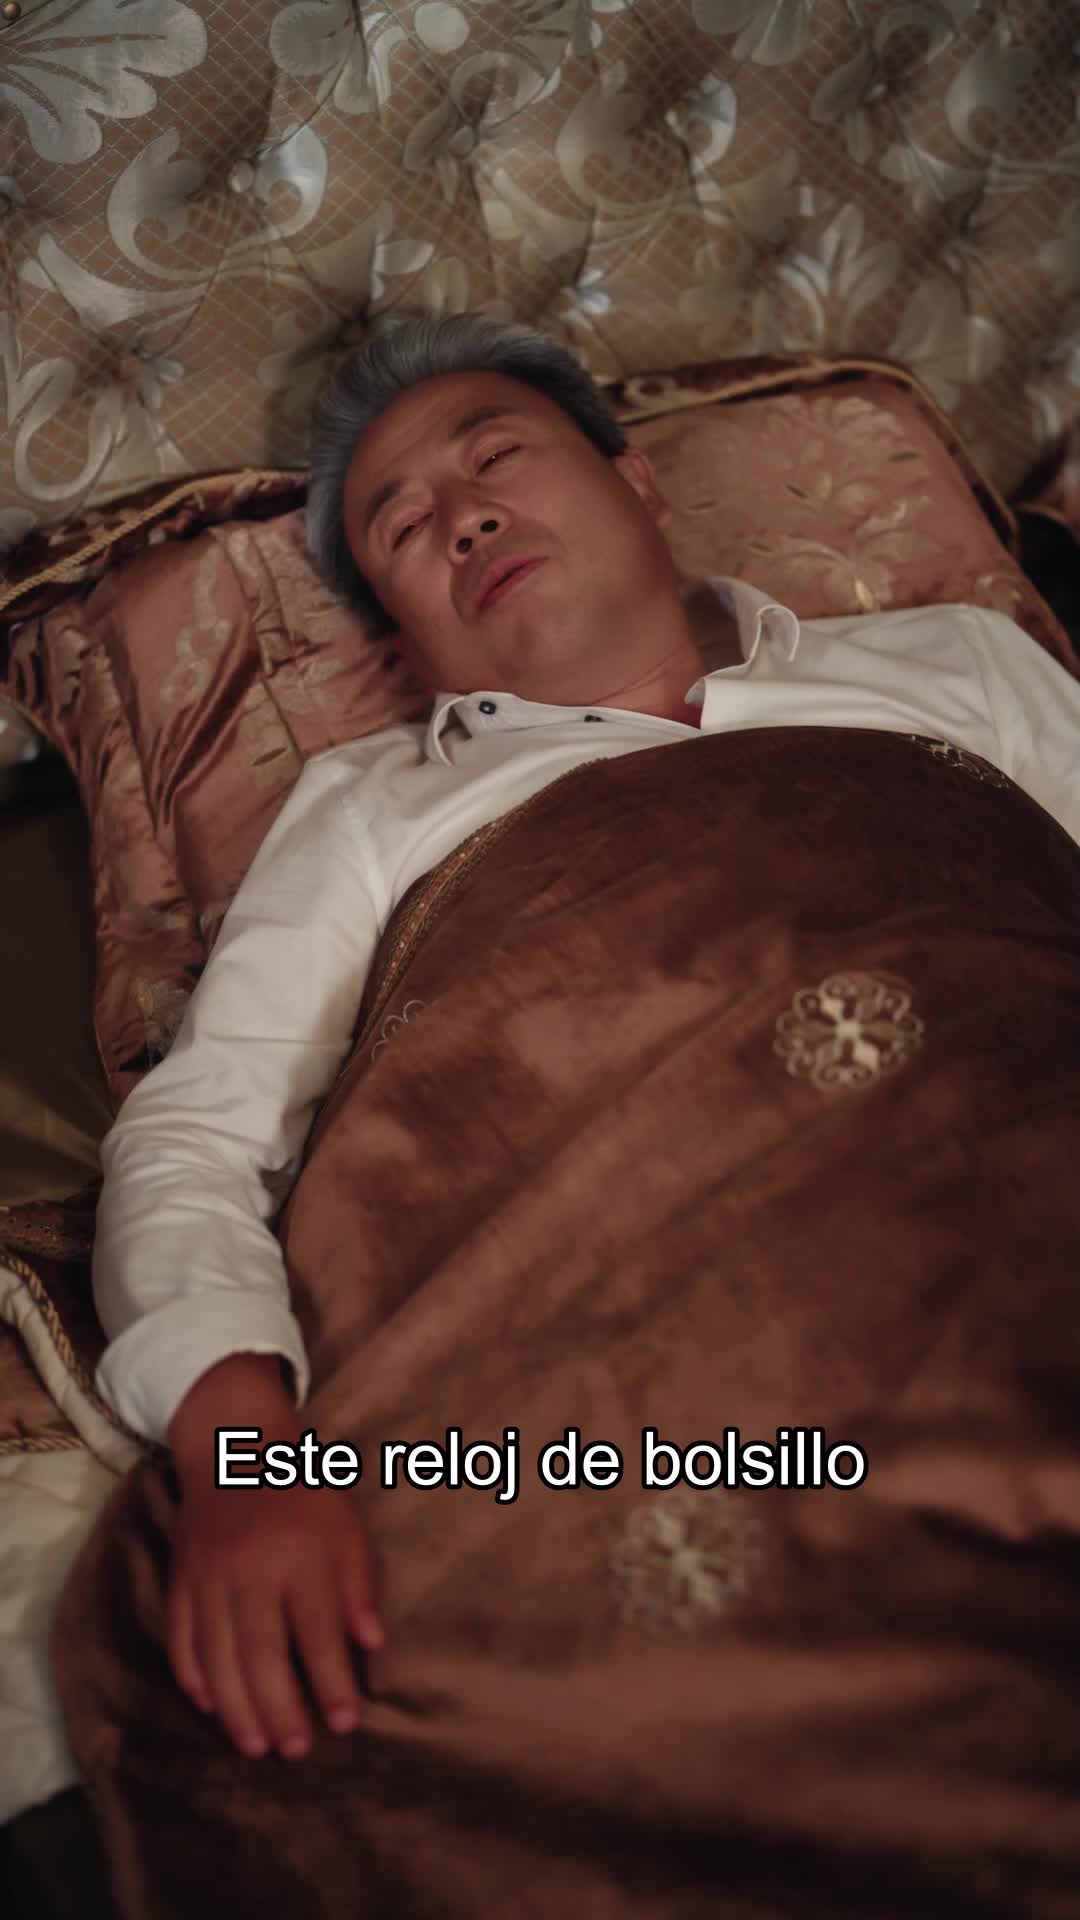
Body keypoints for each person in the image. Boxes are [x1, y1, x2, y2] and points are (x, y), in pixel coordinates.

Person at [90, 310, 1080, 1768]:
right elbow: (196, 1143)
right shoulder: (369, 814)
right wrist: (245, 1466)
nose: (463, 515)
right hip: (681, 1363)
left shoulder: (960, 663)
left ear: (638, 482)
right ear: (403, 639)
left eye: (496, 457)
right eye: (403, 528)